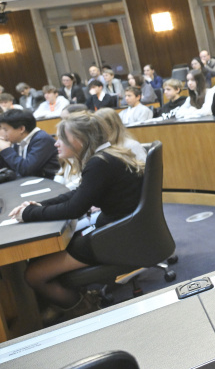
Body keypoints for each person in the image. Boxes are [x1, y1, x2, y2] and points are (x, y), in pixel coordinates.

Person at [9, 113, 144, 325]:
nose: (56, 143)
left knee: (33, 275)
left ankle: (84, 306)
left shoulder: (100, 163)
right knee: (41, 257)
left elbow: (75, 208)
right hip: (118, 231)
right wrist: (39, 206)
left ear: (78, 140)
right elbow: (78, 195)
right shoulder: (107, 156)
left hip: (111, 239)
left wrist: (27, 214)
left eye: (61, 138)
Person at [0, 109, 59, 179]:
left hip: (48, 183)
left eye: (6, 130)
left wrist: (6, 150)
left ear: (21, 129)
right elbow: (8, 168)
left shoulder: (42, 140)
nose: (3, 133)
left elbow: (26, 170)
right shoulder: (17, 140)